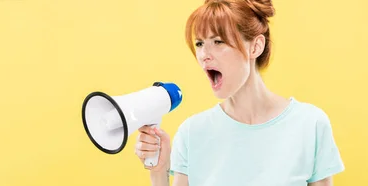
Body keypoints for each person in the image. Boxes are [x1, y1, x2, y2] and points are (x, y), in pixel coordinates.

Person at [134, 0, 345, 185]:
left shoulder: (310, 124)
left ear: (255, 47)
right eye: (200, 43)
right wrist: (158, 171)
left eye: (218, 42)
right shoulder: (191, 133)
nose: (204, 55)